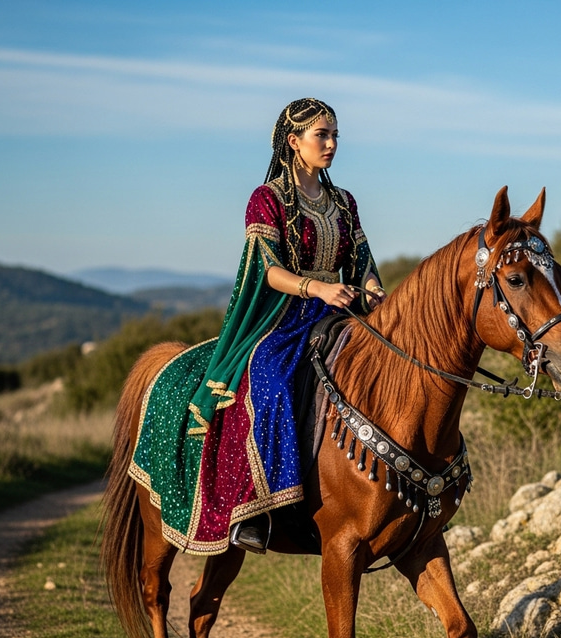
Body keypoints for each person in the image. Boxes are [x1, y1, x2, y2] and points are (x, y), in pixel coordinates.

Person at [129, 98, 385, 556]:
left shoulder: (344, 202)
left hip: (339, 312)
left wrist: (373, 291)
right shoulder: (266, 200)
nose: (330, 144)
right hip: (284, 316)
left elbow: (362, 262)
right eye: (321, 136)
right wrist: (317, 289)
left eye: (334, 136)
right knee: (268, 378)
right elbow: (267, 269)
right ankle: (258, 508)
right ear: (294, 142)